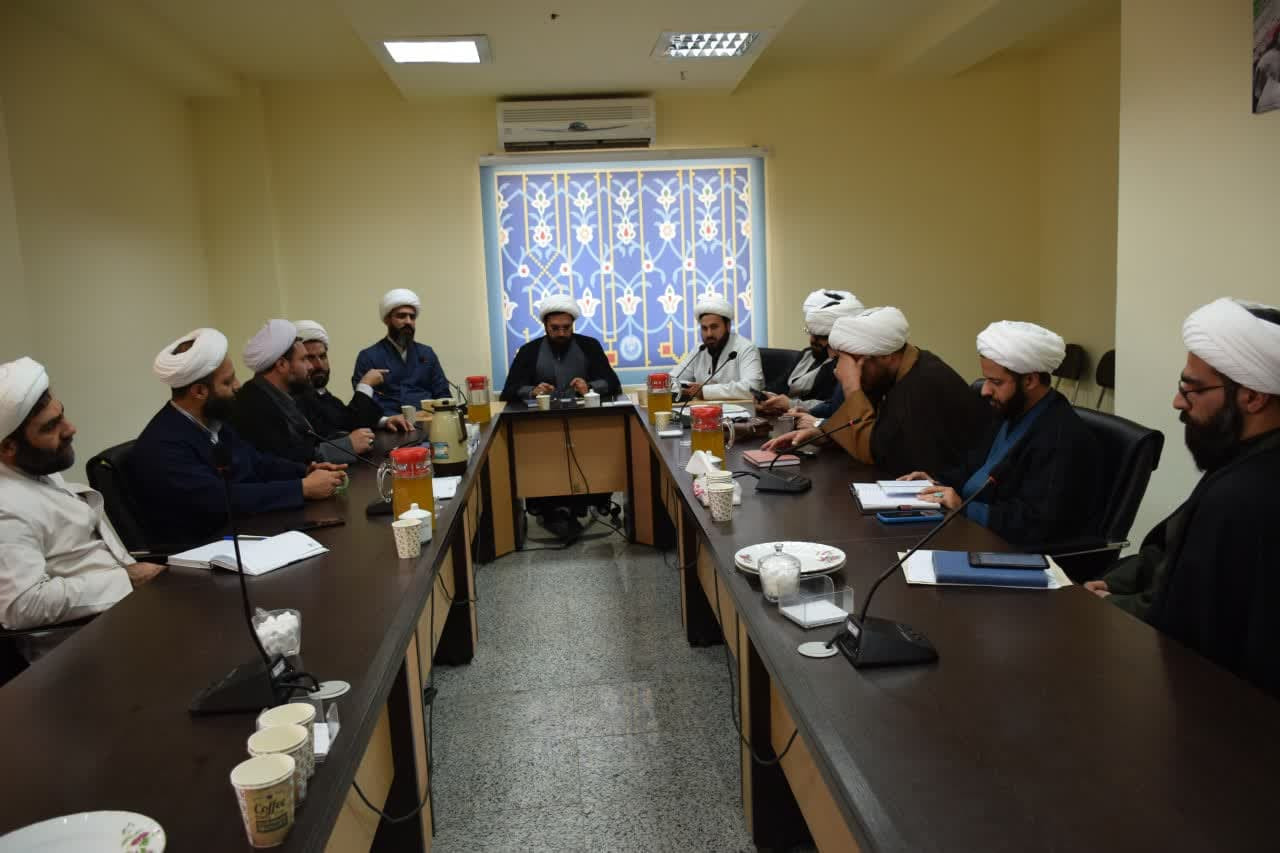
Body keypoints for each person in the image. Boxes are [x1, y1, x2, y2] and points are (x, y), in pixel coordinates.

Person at [1084, 298, 1280, 698]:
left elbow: (1187, 635)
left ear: (1253, 397)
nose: (1178, 402)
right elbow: (1170, 551)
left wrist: (1108, 608)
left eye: (1192, 389)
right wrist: (1113, 584)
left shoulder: (1243, 496)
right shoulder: (1241, 461)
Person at [0, 358, 165, 655]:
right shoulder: (6, 509)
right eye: (50, 427)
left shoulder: (37, 467)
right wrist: (126, 579)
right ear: (8, 448)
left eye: (61, 415)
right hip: (88, 648)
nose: (70, 429)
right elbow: (21, 606)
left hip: (132, 611)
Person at [130, 328, 347, 544]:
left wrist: (306, 470)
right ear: (199, 392)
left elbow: (256, 462)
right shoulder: (163, 445)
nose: (237, 386)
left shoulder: (213, 422)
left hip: (243, 529)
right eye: (227, 382)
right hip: (203, 548)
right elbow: (220, 499)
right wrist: (302, 488)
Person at [898, 321, 1102, 550]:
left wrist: (964, 507)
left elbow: (1037, 524)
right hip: (975, 532)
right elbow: (973, 468)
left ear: (1030, 380)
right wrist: (936, 483)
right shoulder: (1010, 411)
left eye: (996, 382)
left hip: (1017, 552)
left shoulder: (1061, 437)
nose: (985, 390)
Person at [763, 307, 991, 477]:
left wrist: (852, 388)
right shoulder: (901, 370)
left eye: (850, 362)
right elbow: (878, 429)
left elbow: (876, 452)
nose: (839, 372)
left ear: (885, 356)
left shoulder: (922, 386)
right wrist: (822, 434)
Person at [233, 320, 374, 465]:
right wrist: (347, 446)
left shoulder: (279, 395)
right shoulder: (254, 403)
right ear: (282, 365)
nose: (310, 367)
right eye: (304, 359)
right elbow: (287, 458)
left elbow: (308, 443)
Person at [293, 320, 412, 438]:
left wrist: (384, 421)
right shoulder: (296, 399)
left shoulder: (324, 394)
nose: (319, 365)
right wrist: (365, 385)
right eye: (309, 358)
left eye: (322, 356)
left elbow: (346, 419)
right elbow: (340, 430)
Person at [498, 294, 623, 402]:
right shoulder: (528, 351)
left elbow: (613, 384)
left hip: (584, 417)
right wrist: (533, 391)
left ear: (572, 324)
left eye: (566, 327)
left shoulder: (590, 346)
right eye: (555, 328)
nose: (561, 333)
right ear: (545, 325)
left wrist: (589, 387)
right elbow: (508, 393)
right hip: (542, 419)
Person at [758, 290, 864, 416]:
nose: (813, 340)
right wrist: (767, 398)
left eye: (821, 337)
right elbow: (780, 385)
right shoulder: (807, 354)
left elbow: (833, 406)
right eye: (811, 333)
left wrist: (792, 405)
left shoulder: (843, 365)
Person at [352, 289, 451, 416]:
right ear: (387, 320)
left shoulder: (427, 353)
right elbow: (365, 400)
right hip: (389, 423)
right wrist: (394, 418)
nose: (408, 321)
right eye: (401, 316)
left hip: (429, 420)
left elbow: (443, 394)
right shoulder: (368, 356)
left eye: (412, 317)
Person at [668, 294, 764, 401]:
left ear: (728, 326)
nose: (709, 334)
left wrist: (704, 391)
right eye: (704, 328)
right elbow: (670, 380)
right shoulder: (699, 349)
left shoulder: (746, 348)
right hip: (702, 409)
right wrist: (684, 389)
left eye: (714, 327)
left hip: (740, 410)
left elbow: (753, 388)